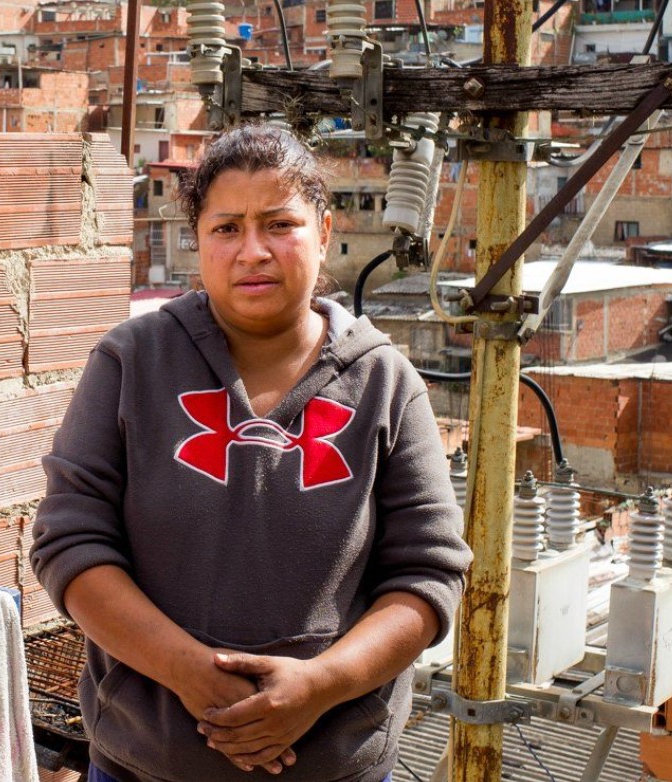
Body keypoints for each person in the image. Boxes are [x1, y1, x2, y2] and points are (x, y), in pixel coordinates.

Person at [29, 124, 473, 782]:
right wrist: (184, 669)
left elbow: (426, 577)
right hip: (143, 766)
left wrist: (320, 684)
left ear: (323, 231)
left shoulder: (383, 383)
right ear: (196, 240)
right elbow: (69, 542)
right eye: (226, 228)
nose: (252, 251)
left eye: (278, 223)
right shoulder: (131, 362)